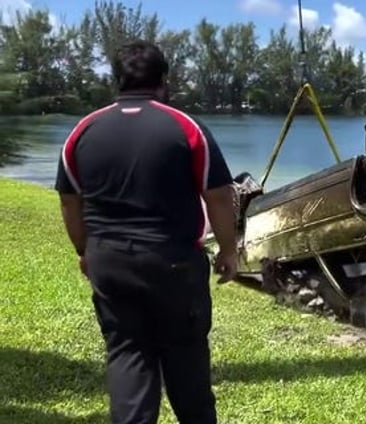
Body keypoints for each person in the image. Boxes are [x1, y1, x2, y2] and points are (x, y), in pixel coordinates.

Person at [55, 40, 239, 424]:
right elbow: (219, 196)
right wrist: (228, 250)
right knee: (186, 360)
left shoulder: (84, 131)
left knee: (127, 354)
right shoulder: (185, 127)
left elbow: (71, 203)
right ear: (164, 81)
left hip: (110, 263)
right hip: (173, 265)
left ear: (117, 81)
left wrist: (85, 250)